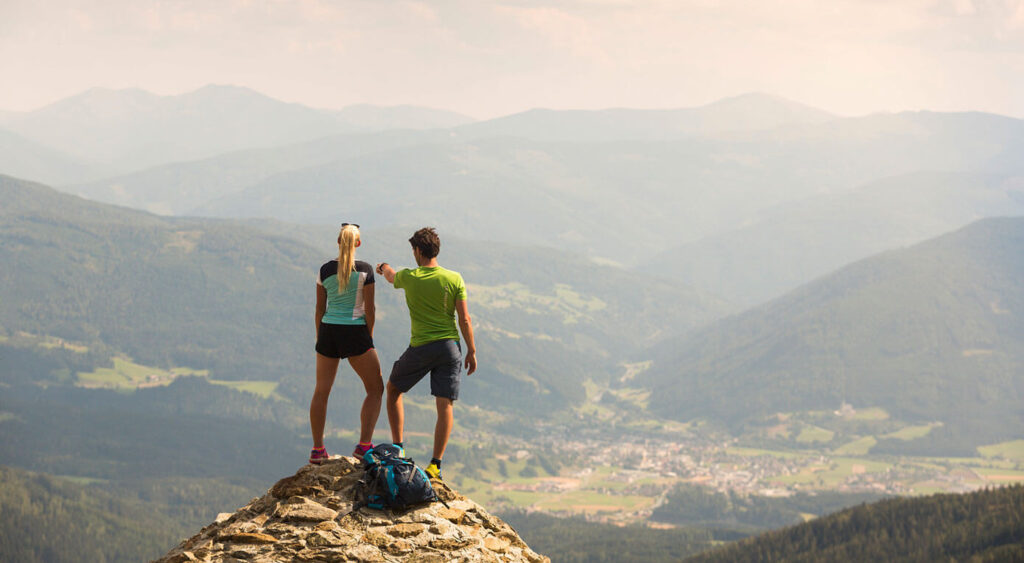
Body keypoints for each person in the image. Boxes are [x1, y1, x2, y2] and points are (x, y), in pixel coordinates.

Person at [376, 227, 477, 479]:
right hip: (450, 348)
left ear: (418, 251)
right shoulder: (454, 278)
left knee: (393, 389)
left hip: (421, 346)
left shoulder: (411, 277)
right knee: (445, 406)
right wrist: (472, 350)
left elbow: (390, 276)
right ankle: (435, 464)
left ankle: (398, 448)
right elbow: (464, 319)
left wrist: (383, 266)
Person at [309, 223, 384, 464]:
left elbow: (320, 309)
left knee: (322, 391)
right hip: (355, 332)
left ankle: (318, 450)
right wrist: (368, 337)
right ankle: (364, 446)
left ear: (338, 242)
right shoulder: (366, 270)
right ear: (358, 243)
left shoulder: (325, 270)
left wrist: (321, 337)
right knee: (375, 388)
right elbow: (370, 310)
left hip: (329, 331)